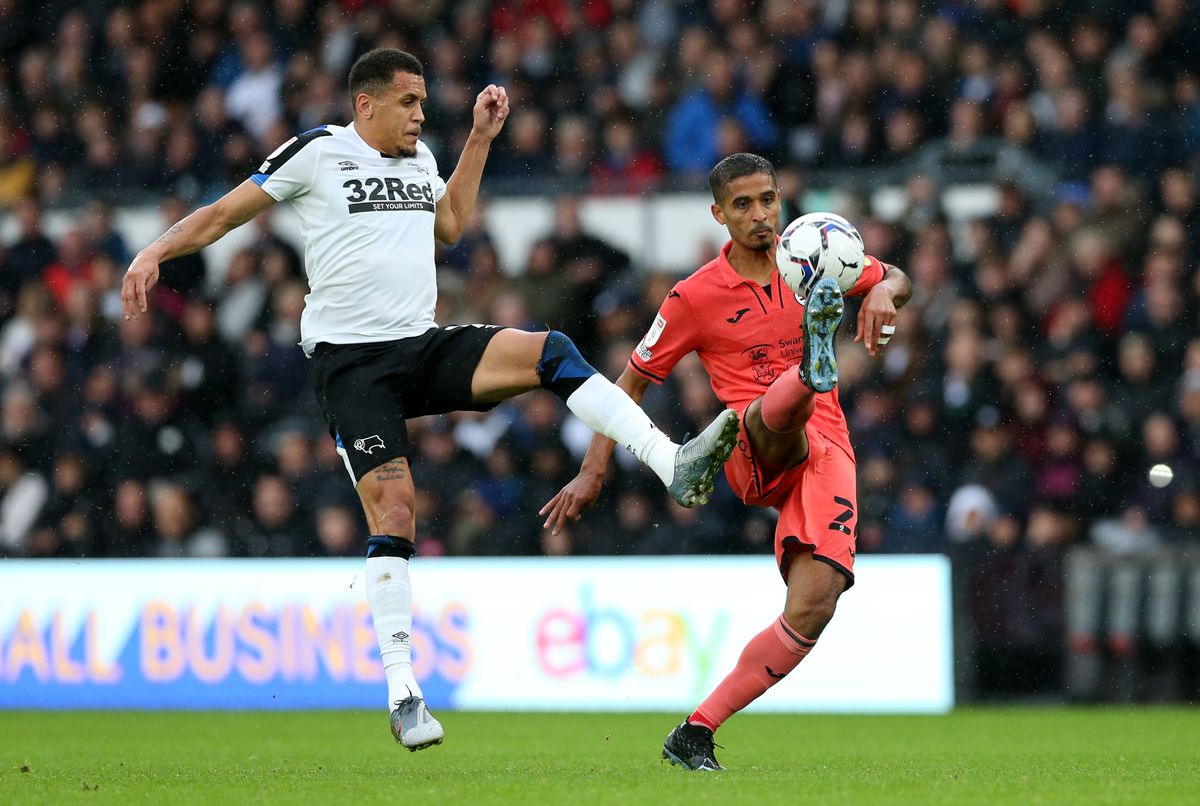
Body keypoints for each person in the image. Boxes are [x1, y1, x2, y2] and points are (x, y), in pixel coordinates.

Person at [120, 49, 739, 752]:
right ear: (367, 105)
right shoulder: (320, 152)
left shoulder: (420, 161)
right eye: (409, 102)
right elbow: (223, 214)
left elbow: (449, 225)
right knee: (396, 511)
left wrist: (477, 140)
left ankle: (672, 463)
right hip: (352, 367)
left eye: (422, 102)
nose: (421, 113)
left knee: (550, 352)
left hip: (418, 345)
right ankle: (403, 691)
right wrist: (152, 254)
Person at [541, 153, 913, 770]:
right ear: (718, 214)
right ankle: (808, 370)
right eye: (742, 204)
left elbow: (896, 276)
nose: (760, 215)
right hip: (750, 445)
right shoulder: (693, 297)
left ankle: (695, 731)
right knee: (772, 415)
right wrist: (594, 467)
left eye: (767, 199)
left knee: (814, 605)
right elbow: (628, 384)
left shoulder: (816, 257)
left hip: (828, 450)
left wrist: (883, 297)